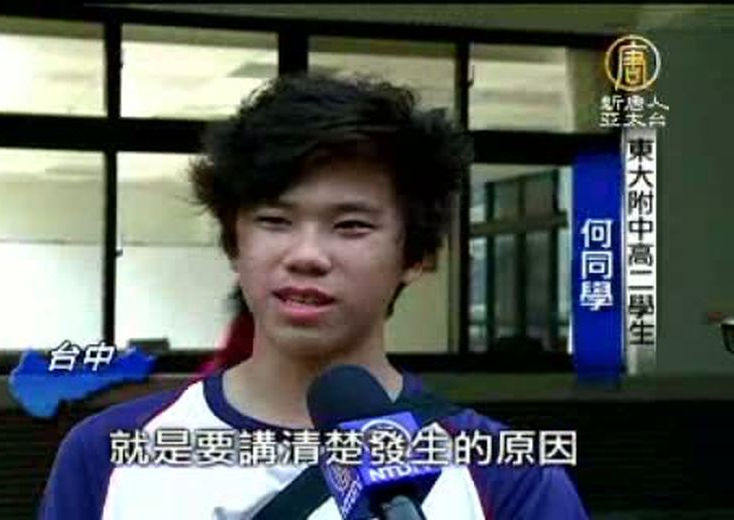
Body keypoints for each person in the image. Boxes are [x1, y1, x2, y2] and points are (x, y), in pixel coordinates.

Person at [39, 73, 588, 519]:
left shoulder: (506, 477)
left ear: (417, 254)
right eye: (275, 220)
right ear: (234, 241)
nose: (306, 255)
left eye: (350, 226)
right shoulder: (107, 454)